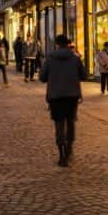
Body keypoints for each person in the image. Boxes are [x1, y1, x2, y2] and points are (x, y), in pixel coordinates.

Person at [41, 34, 86, 167]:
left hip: (55, 96)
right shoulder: (75, 58)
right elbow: (84, 75)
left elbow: (42, 77)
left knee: (59, 124)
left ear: (56, 44)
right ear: (68, 44)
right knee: (70, 122)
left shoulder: (50, 58)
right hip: (72, 96)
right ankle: (69, 148)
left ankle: (61, 155)